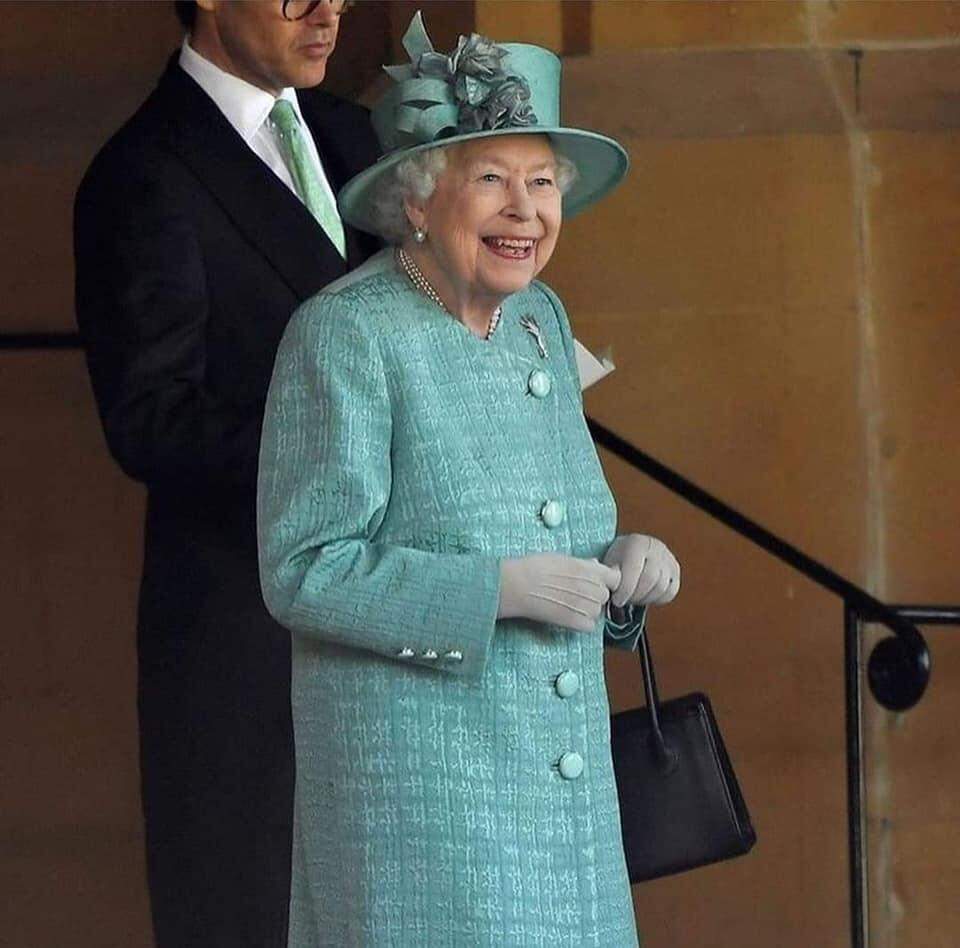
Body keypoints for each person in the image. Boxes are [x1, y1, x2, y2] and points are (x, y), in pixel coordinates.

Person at [258, 12, 681, 947]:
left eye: (542, 183)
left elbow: (560, 524)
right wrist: (493, 593)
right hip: (426, 807)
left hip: (560, 798)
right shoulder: (345, 335)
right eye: (491, 179)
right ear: (416, 199)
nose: (524, 212)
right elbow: (303, 567)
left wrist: (622, 569)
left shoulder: (541, 321)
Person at [73, 2, 380, 945]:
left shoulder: (350, 131)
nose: (328, 8)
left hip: (394, 620)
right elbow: (151, 420)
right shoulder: (143, 171)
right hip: (247, 638)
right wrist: (350, 451)